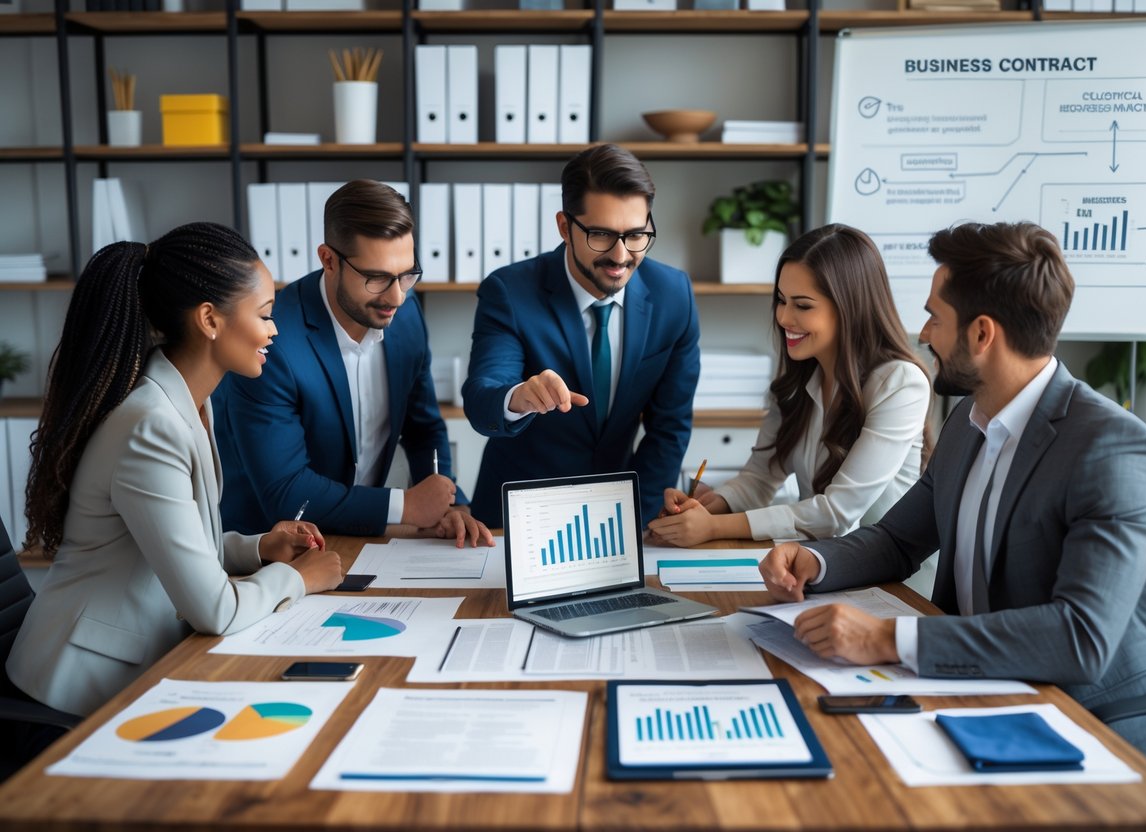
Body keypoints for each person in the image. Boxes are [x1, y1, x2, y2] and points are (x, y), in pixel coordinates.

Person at [758, 221, 1146, 771]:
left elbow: (1079, 637)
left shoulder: (1113, 449)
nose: (923, 332)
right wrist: (814, 559)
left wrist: (891, 638)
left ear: (982, 334)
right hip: (976, 696)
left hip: (1090, 732)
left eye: (935, 316)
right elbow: (897, 539)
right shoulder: (969, 423)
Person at [8, 223, 343, 717]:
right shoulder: (150, 425)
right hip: (70, 697)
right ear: (210, 319)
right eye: (265, 315)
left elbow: (174, 543)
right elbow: (215, 609)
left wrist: (258, 548)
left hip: (135, 666)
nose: (274, 330)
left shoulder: (186, 402)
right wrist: (298, 578)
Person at [213, 180, 492, 545]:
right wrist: (406, 506)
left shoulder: (405, 318)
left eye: (407, 274)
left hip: (360, 539)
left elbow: (424, 428)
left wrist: (450, 504)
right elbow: (286, 490)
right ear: (329, 259)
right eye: (376, 278)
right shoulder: (271, 339)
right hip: (265, 549)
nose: (396, 296)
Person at [647, 224, 931, 547]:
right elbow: (758, 479)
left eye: (803, 305)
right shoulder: (797, 384)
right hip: (823, 567)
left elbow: (836, 514)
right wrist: (707, 509)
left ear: (849, 308)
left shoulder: (901, 384)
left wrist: (714, 528)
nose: (783, 317)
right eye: (781, 300)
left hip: (894, 584)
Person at [462, 144, 700, 527]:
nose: (621, 256)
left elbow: (670, 426)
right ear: (564, 226)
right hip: (517, 521)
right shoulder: (509, 291)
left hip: (620, 517)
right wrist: (517, 398)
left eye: (637, 234)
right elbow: (481, 396)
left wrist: (634, 521)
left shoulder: (675, 295)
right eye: (602, 235)